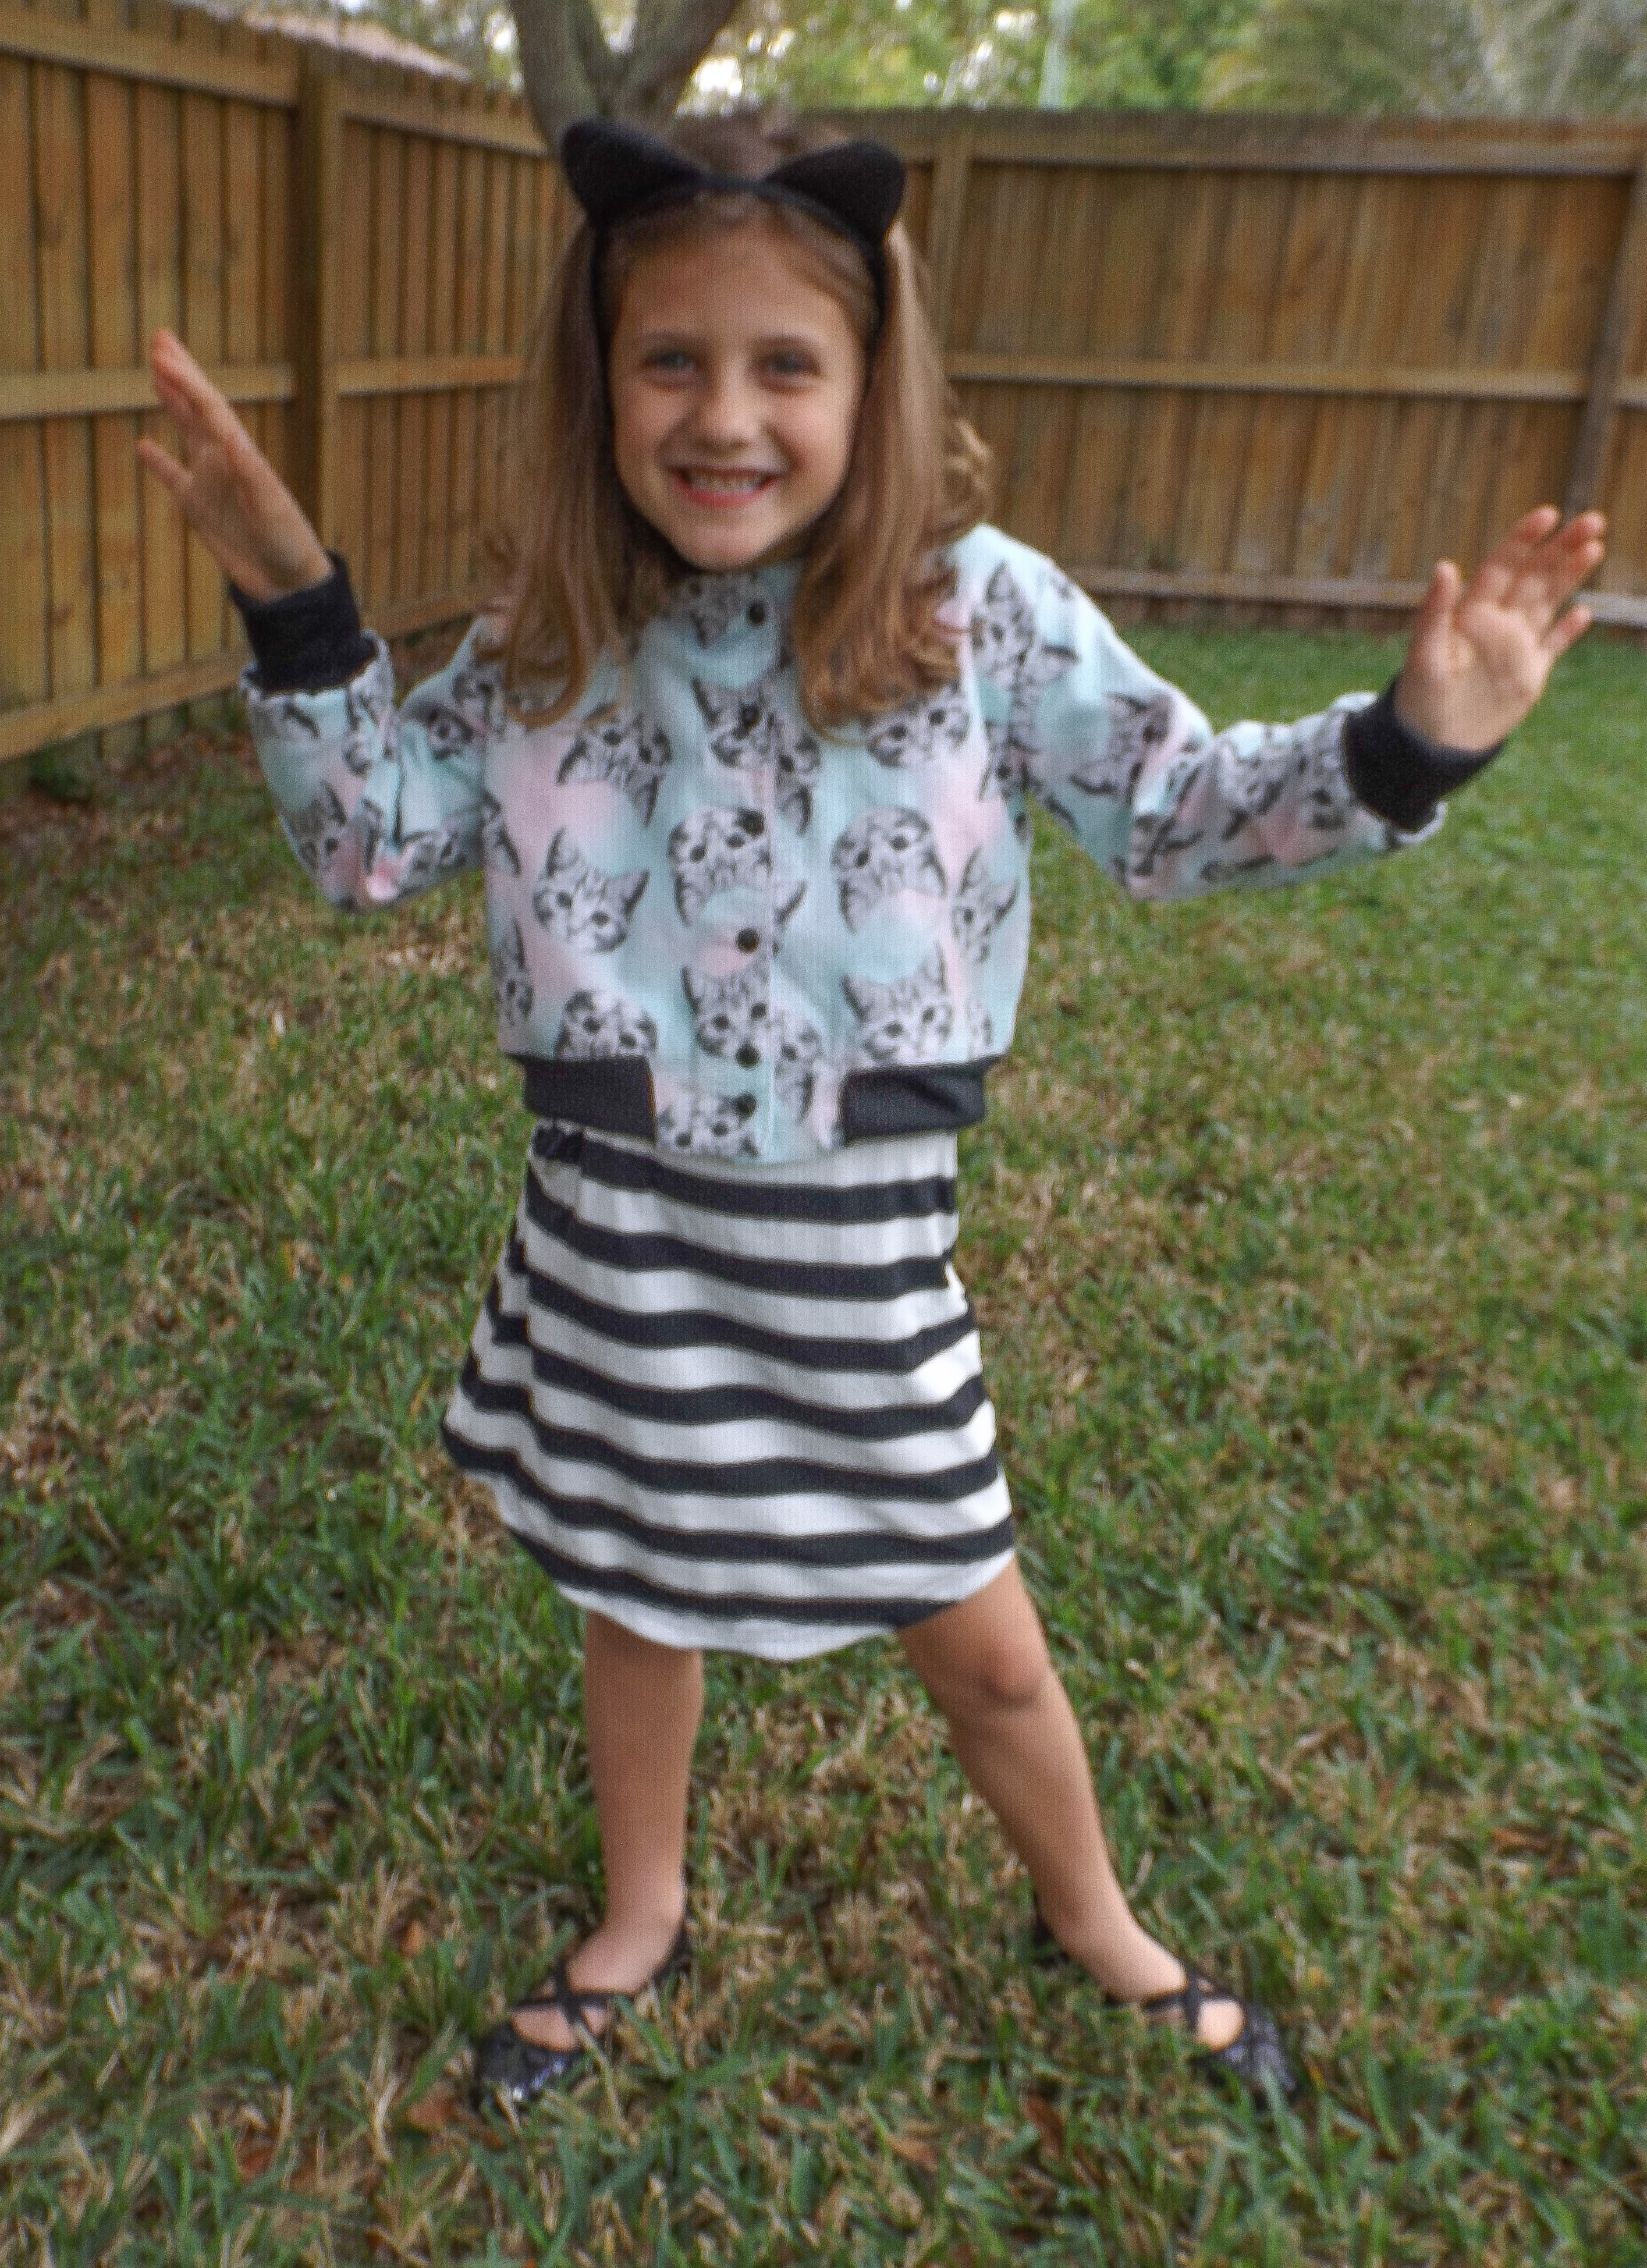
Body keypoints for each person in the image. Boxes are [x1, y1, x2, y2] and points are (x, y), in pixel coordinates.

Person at [138, 109, 1605, 2116]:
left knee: (981, 1639)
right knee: (636, 1600)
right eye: (671, 358)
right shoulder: (555, 629)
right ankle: (639, 1913)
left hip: (858, 1260)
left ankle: (1099, 1920)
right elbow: (366, 845)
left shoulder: (980, 618)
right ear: (599, 380)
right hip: (619, 1243)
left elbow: (1180, 816)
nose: (724, 415)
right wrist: (297, 602)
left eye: (785, 364)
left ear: (870, 384)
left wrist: (1413, 740)